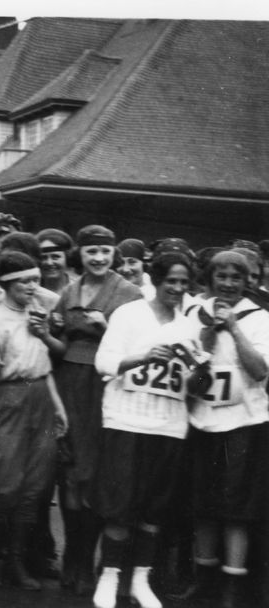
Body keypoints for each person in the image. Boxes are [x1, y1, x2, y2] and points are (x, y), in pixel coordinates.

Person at [90, 251, 196, 608]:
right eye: (171, 282)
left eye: (183, 283)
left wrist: (198, 370)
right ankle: (108, 578)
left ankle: (140, 580)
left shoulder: (190, 324)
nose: (177, 289)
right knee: (119, 506)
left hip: (168, 424)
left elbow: (195, 381)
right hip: (126, 419)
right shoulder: (129, 314)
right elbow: (103, 363)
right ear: (157, 280)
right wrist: (146, 356)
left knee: (154, 510)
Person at [51, 224, 142, 595]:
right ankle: (72, 557)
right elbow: (58, 341)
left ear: (114, 254)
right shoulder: (69, 290)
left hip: (105, 387)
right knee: (69, 470)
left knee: (94, 473)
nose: (99, 258)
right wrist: (50, 331)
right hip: (69, 382)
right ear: (81, 254)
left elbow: (137, 349)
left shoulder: (129, 292)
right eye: (91, 251)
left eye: (105, 251)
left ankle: (89, 559)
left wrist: (106, 329)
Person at [177, 250, 269, 608]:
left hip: (244, 423)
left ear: (247, 281)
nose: (228, 284)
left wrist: (232, 326)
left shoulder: (260, 318)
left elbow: (260, 370)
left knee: (237, 509)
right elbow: (187, 368)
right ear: (210, 279)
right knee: (203, 506)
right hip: (202, 421)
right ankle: (204, 581)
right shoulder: (193, 313)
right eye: (222, 277)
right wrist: (207, 338)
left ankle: (232, 588)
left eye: (236, 278)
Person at [0, 251, 68, 591]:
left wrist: (57, 406)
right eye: (25, 281)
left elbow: (46, 365)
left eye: (35, 280)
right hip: (7, 397)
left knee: (35, 486)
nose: (32, 286)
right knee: (3, 483)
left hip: (40, 395)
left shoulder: (38, 314)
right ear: (8, 283)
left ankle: (16, 561)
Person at [36, 228, 75, 294]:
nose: (49, 263)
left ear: (67, 258)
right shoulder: (30, 292)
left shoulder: (80, 290)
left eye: (55, 257)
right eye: (43, 258)